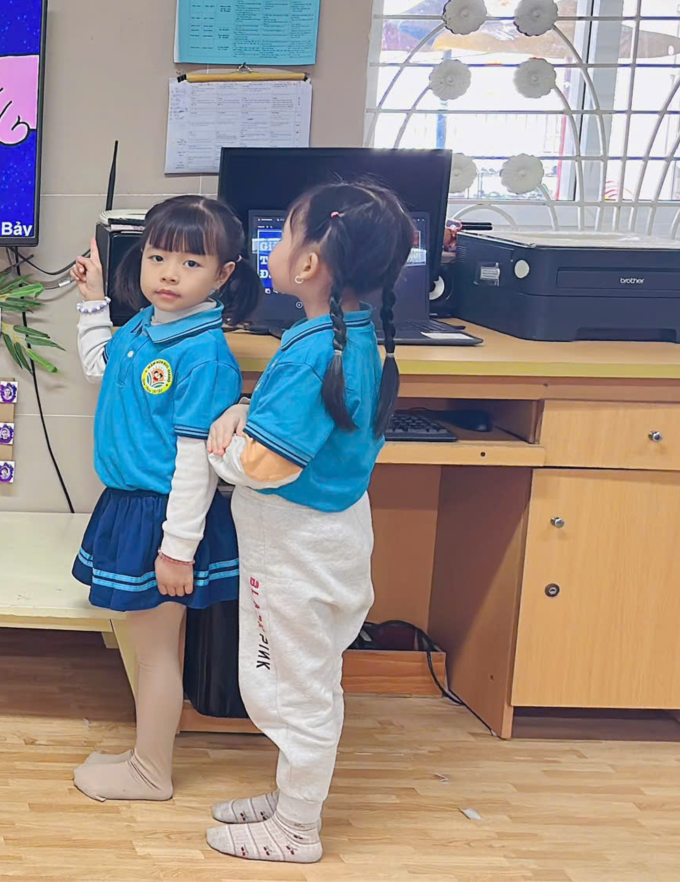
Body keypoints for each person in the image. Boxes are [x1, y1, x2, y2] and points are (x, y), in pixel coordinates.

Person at [202, 180, 416, 863]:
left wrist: (221, 443)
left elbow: (267, 465)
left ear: (309, 264)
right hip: (332, 541)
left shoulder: (313, 352)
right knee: (308, 681)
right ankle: (292, 800)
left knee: (290, 691)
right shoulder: (350, 340)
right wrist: (250, 412)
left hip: (294, 552)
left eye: (283, 234)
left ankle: (296, 830)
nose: (272, 246)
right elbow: (302, 428)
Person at [67, 194, 259, 804]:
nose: (169, 274)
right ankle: (143, 755)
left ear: (224, 275)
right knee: (148, 648)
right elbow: (101, 367)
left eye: (191, 263)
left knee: (155, 654)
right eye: (157, 257)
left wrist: (177, 550)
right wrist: (92, 300)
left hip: (164, 514)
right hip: (132, 507)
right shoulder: (146, 327)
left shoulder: (203, 355)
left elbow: (196, 465)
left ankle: (150, 772)